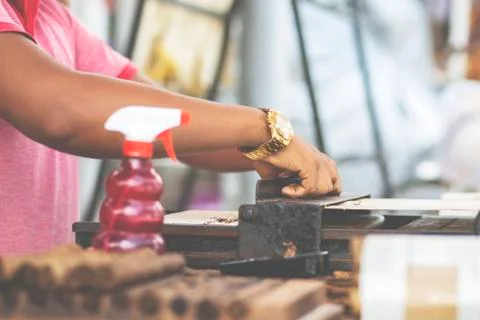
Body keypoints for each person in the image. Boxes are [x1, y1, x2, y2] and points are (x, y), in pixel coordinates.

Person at [0, 0, 340, 254]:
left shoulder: (53, 18)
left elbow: (161, 116)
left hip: (37, 295)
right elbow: (60, 109)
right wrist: (262, 128)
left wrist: (279, 149)